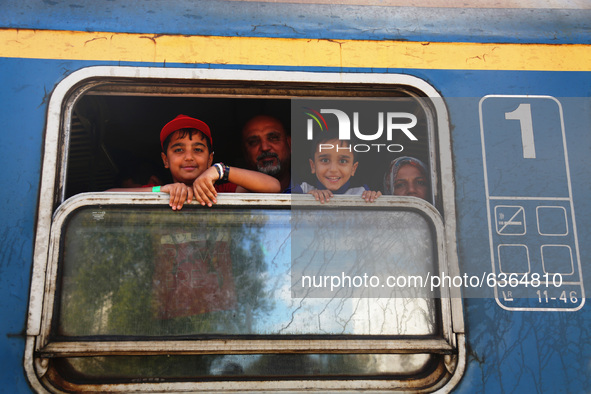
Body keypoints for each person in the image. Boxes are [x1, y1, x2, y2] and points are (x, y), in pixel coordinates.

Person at [109, 114, 281, 210]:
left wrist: (221, 171)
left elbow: (273, 186)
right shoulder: (160, 193)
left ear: (210, 159)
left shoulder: (221, 191)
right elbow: (109, 195)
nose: (189, 157)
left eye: (198, 150)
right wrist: (162, 190)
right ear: (165, 160)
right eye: (179, 150)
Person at [293, 130, 381, 203]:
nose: (333, 169)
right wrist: (307, 198)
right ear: (313, 166)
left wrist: (374, 198)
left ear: (353, 169)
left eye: (343, 161)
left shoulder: (361, 193)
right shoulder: (303, 189)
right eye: (325, 160)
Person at [241, 115, 292, 193]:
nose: (264, 147)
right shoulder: (228, 192)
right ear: (245, 152)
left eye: (273, 138)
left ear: (290, 144)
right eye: (254, 142)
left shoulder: (311, 190)